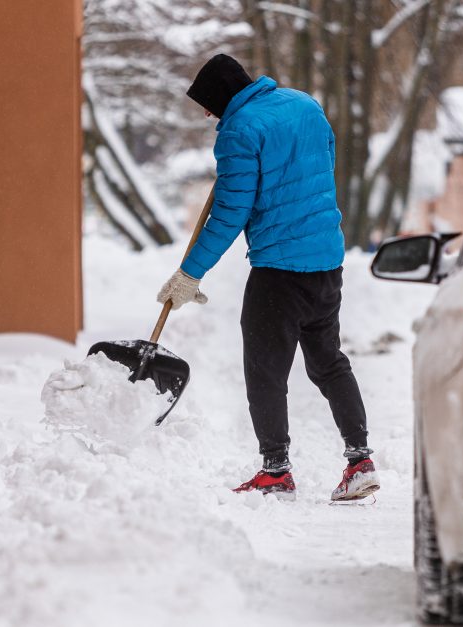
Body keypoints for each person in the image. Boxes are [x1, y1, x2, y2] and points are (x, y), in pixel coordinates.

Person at [156, 54, 379, 502]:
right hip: (326, 261)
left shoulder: (239, 132)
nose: (206, 114)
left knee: (265, 370)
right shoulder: (304, 105)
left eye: (207, 104)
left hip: (279, 270)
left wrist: (189, 274)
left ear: (222, 98)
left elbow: (229, 214)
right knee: (328, 361)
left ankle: (276, 469)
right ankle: (360, 461)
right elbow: (322, 164)